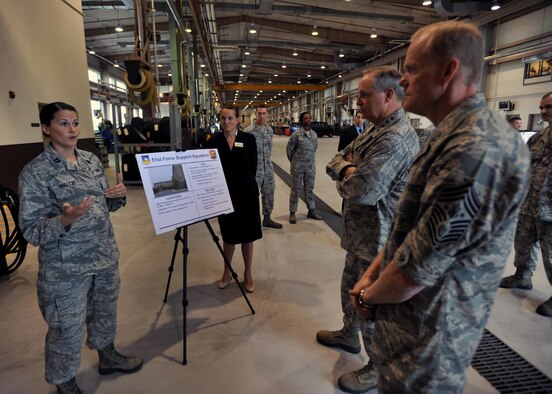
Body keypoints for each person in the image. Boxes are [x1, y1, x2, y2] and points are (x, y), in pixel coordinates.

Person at [349, 21, 530, 393]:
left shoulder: (476, 148)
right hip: (409, 332)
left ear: (449, 70)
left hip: (429, 344)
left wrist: (368, 294)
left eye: (412, 69)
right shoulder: (446, 135)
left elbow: (416, 271)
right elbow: (412, 228)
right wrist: (373, 273)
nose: (403, 81)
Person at [18, 102, 143, 394]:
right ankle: (64, 383)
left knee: (104, 312)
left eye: (75, 123)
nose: (72, 129)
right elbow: (31, 230)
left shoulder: (90, 160)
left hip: (103, 257)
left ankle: (108, 356)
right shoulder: (35, 173)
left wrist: (117, 196)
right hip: (66, 269)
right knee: (66, 329)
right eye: (64, 123)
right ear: (47, 129)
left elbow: (104, 206)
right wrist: (64, 220)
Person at [320, 67, 420, 394]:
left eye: (364, 95)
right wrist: (349, 168)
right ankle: (349, 335)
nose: (357, 102)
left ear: (388, 95)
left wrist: (348, 171)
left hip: (380, 238)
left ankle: (378, 367)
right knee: (351, 288)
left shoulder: (396, 136)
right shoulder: (375, 130)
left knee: (371, 303)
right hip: (361, 234)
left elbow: (364, 190)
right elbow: (336, 160)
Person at [499, 92, 552, 317]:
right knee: (523, 243)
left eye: (548, 106)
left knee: (551, 254)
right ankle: (522, 276)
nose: (543, 111)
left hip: (550, 209)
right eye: (541, 107)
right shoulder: (537, 138)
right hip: (529, 203)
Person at [206, 105, 262, 293]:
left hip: (246, 194)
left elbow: (253, 166)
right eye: (223, 118)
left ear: (238, 120)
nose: (227, 122)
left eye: (230, 118)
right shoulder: (213, 141)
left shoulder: (249, 139)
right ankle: (227, 272)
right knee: (228, 236)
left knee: (247, 236)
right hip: (224, 195)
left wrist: (245, 183)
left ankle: (248, 273)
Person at [244, 104, 283, 229]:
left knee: (269, 193)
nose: (261, 116)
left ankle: (267, 219)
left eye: (264, 113)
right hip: (254, 169)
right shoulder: (248, 131)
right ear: (256, 114)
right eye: (259, 113)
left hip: (268, 168)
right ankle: (251, 221)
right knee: (251, 196)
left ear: (267, 114)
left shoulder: (270, 130)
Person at [286, 111, 323, 223]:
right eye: (305, 118)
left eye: (309, 118)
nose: (308, 120)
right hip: (298, 168)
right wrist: (295, 162)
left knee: (309, 190)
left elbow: (314, 149)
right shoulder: (296, 135)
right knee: (295, 190)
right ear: (302, 120)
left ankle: (311, 210)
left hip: (310, 168)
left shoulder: (314, 135)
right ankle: (292, 212)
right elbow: (289, 150)